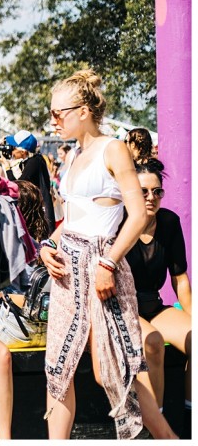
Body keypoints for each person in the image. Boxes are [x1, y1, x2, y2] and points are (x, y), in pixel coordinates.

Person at [40, 69, 174, 439]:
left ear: (83, 110)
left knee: (114, 368)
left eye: (58, 112)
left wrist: (108, 262)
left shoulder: (111, 148)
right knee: (58, 367)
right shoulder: (76, 154)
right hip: (68, 267)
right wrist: (49, 244)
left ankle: (169, 439)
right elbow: (74, 218)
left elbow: (136, 214)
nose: (53, 120)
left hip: (102, 264)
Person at [125, 158, 190, 412]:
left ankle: (189, 419)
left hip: (153, 305)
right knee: (152, 344)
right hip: (124, 308)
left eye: (157, 191)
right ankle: (156, 425)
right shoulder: (118, 222)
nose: (151, 197)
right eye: (143, 192)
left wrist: (192, 316)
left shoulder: (169, 222)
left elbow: (180, 279)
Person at [4, 130, 55, 233]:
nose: (11, 151)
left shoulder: (34, 162)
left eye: (13, 148)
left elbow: (17, 185)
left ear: (23, 151)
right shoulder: (35, 160)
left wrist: (7, 168)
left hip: (41, 215)